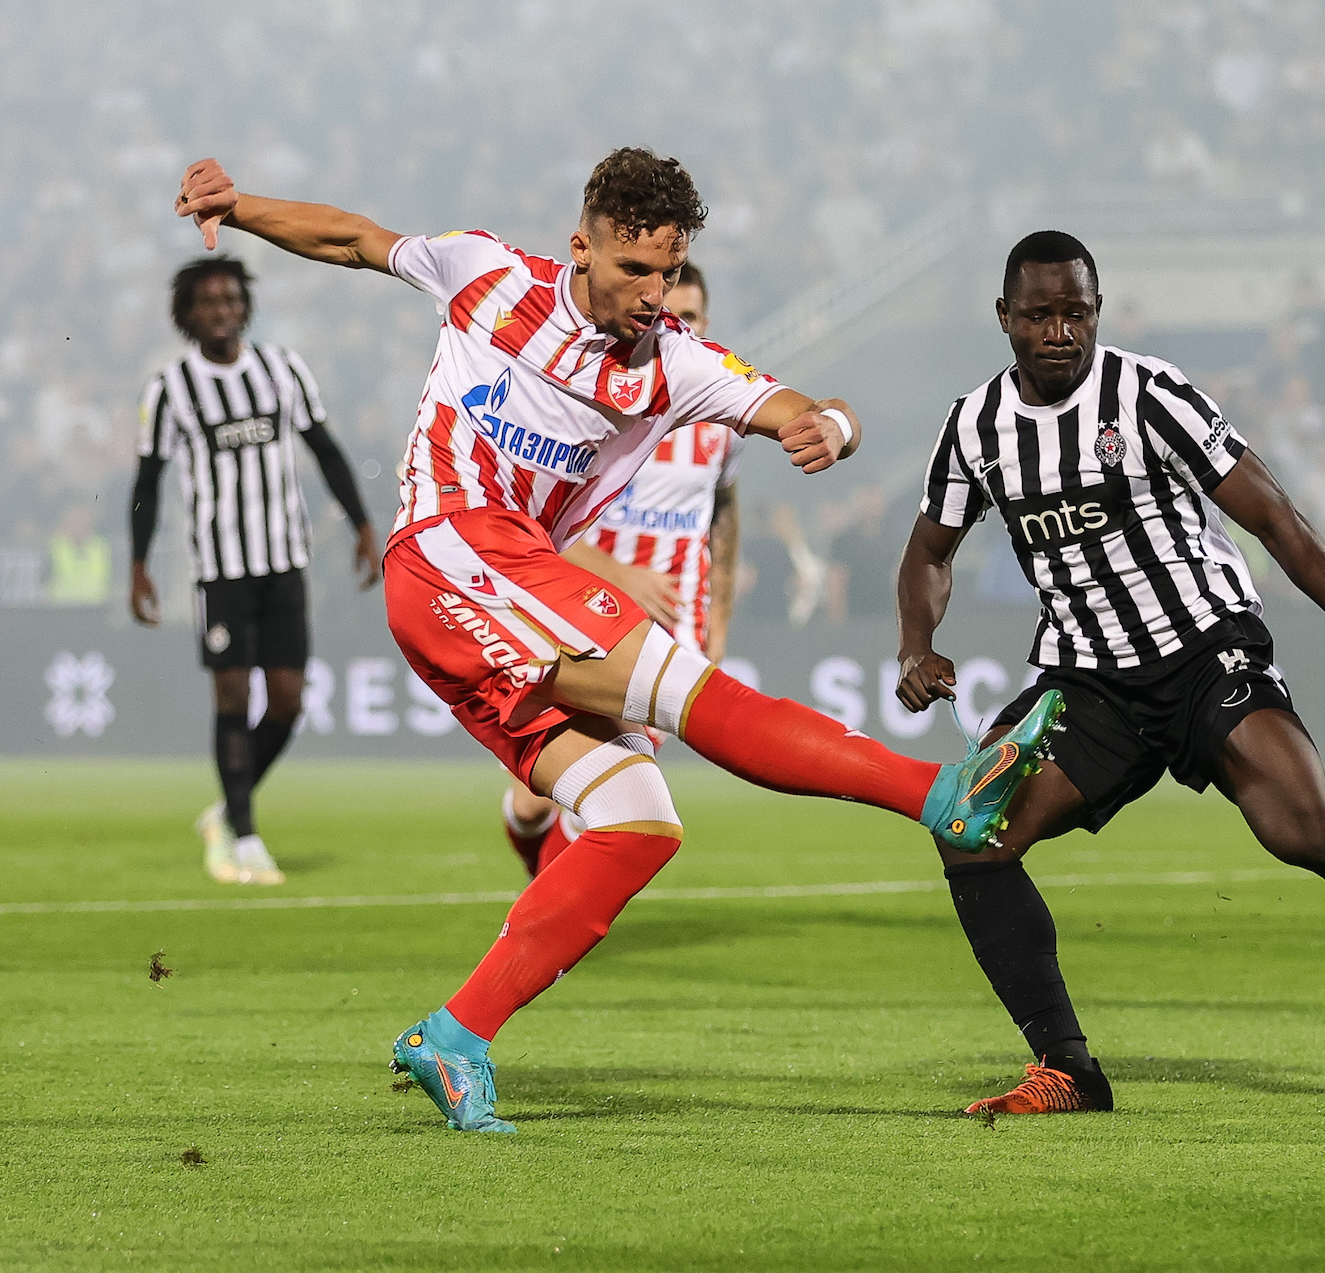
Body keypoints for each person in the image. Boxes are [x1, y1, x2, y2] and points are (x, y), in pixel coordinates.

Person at [171, 152, 1059, 1134]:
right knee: (693, 691)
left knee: (639, 819)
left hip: (494, 602)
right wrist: (239, 205)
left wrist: (834, 427)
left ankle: (457, 1033)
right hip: (450, 550)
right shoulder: (485, 273)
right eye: (636, 269)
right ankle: (938, 795)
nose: (655, 292)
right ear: (580, 245)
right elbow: (352, 238)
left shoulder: (672, 361)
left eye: (670, 270)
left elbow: (797, 406)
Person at [895, 230, 1325, 1117]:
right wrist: (915, 642)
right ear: (1005, 317)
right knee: (970, 831)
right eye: (1040, 314)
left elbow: (1276, 518)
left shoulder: (1150, 393)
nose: (1060, 331)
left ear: (1097, 310)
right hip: (1087, 680)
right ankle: (1068, 1069)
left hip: (1206, 649)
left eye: (1076, 312)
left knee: (1306, 830)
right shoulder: (974, 425)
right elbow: (929, 550)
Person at [129, 255, 379, 886]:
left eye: (231, 298)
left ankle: (226, 809)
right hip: (221, 569)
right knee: (233, 697)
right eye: (208, 302)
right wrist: (138, 563)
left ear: (246, 305)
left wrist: (362, 525)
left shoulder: (281, 369)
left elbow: (324, 450)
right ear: (188, 314)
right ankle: (243, 835)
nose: (222, 310)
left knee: (289, 701)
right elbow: (147, 483)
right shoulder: (171, 388)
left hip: (285, 561)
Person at [499, 263, 740, 877]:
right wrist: (621, 574)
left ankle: (547, 926)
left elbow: (726, 518)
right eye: (669, 315)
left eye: (690, 318)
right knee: (534, 800)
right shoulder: (595, 401)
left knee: (618, 785)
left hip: (671, 621)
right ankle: (540, 866)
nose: (677, 327)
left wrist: (719, 621)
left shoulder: (720, 420)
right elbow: (539, 523)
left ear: (705, 324)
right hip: (582, 608)